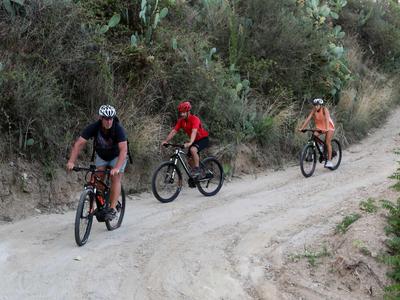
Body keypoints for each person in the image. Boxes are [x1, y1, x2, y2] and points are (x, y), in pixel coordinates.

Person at [66, 104, 128, 220]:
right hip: (102, 156)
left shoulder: (118, 129)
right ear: (101, 118)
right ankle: (99, 201)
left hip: (117, 156)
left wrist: (117, 168)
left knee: (116, 177)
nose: (109, 122)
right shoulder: (94, 127)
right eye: (106, 119)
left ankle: (113, 208)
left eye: (111, 119)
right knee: (97, 178)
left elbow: (124, 150)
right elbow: (79, 144)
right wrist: (71, 161)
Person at [162, 101, 209, 178]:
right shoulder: (181, 121)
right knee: (189, 159)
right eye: (181, 112)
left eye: (184, 112)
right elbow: (174, 131)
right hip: (194, 140)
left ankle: (197, 169)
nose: (182, 114)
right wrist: (166, 141)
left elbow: (194, 132)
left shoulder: (195, 119)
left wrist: (190, 143)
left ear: (188, 112)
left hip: (203, 139)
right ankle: (198, 175)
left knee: (193, 150)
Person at [299, 98, 335, 168]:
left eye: (317, 105)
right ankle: (316, 150)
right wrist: (302, 128)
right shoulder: (314, 110)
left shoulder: (325, 109)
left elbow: (327, 119)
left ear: (320, 105)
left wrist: (327, 129)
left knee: (327, 142)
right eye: (314, 105)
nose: (315, 107)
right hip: (320, 127)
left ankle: (329, 161)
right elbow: (308, 119)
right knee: (314, 136)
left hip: (329, 126)